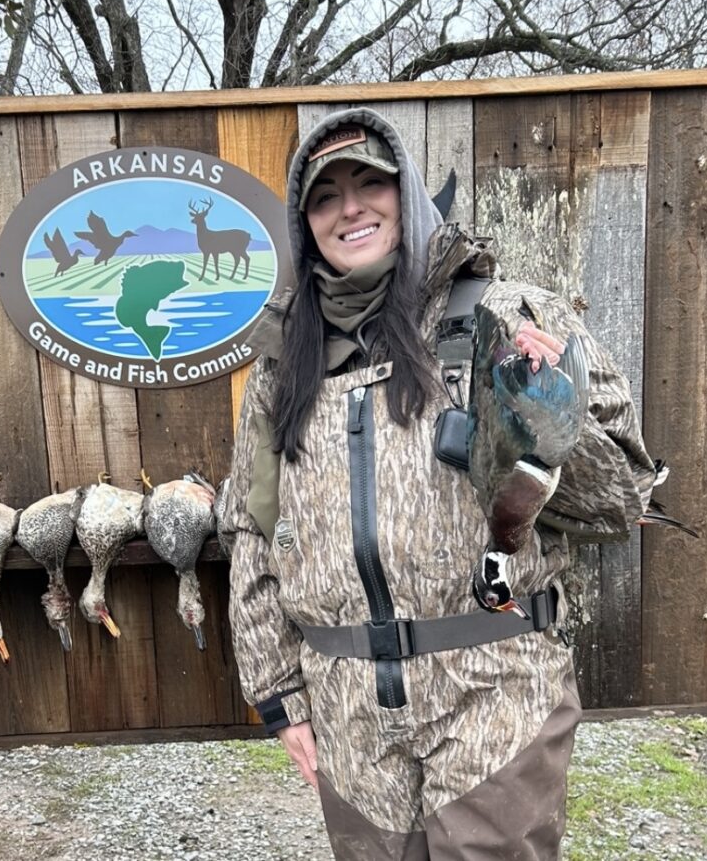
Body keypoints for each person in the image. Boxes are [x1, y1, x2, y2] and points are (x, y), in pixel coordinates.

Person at [225, 107, 658, 860]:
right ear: (305, 224)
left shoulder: (503, 316)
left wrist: (557, 423)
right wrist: (279, 696)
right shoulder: (280, 368)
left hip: (494, 693)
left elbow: (622, 498)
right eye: (325, 195)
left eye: (371, 182)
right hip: (349, 710)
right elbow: (252, 532)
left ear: (410, 194)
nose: (350, 206)